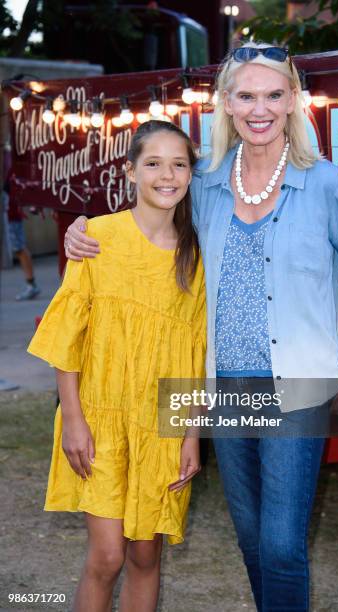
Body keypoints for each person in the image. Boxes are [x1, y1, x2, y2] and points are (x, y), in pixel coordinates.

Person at [64, 42, 338, 612]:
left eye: (272, 95)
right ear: (227, 104)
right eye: (246, 96)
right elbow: (145, 225)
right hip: (223, 388)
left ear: (291, 102)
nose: (259, 109)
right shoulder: (206, 182)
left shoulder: (329, 185)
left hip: (298, 386)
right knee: (251, 536)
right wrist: (82, 231)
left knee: (283, 543)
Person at [28, 120, 206, 612]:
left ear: (191, 175)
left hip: (159, 428)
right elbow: (68, 338)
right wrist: (74, 422)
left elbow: (192, 358)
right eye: (152, 163)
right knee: (107, 557)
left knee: (146, 554)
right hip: (99, 420)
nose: (166, 175)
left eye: (179, 164)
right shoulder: (97, 238)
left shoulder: (195, 257)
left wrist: (190, 436)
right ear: (130, 172)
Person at [4, 172, 41, 300]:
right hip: (10, 214)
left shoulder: (11, 171)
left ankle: (31, 284)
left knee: (19, 248)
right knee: (18, 248)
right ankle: (31, 284)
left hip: (11, 215)